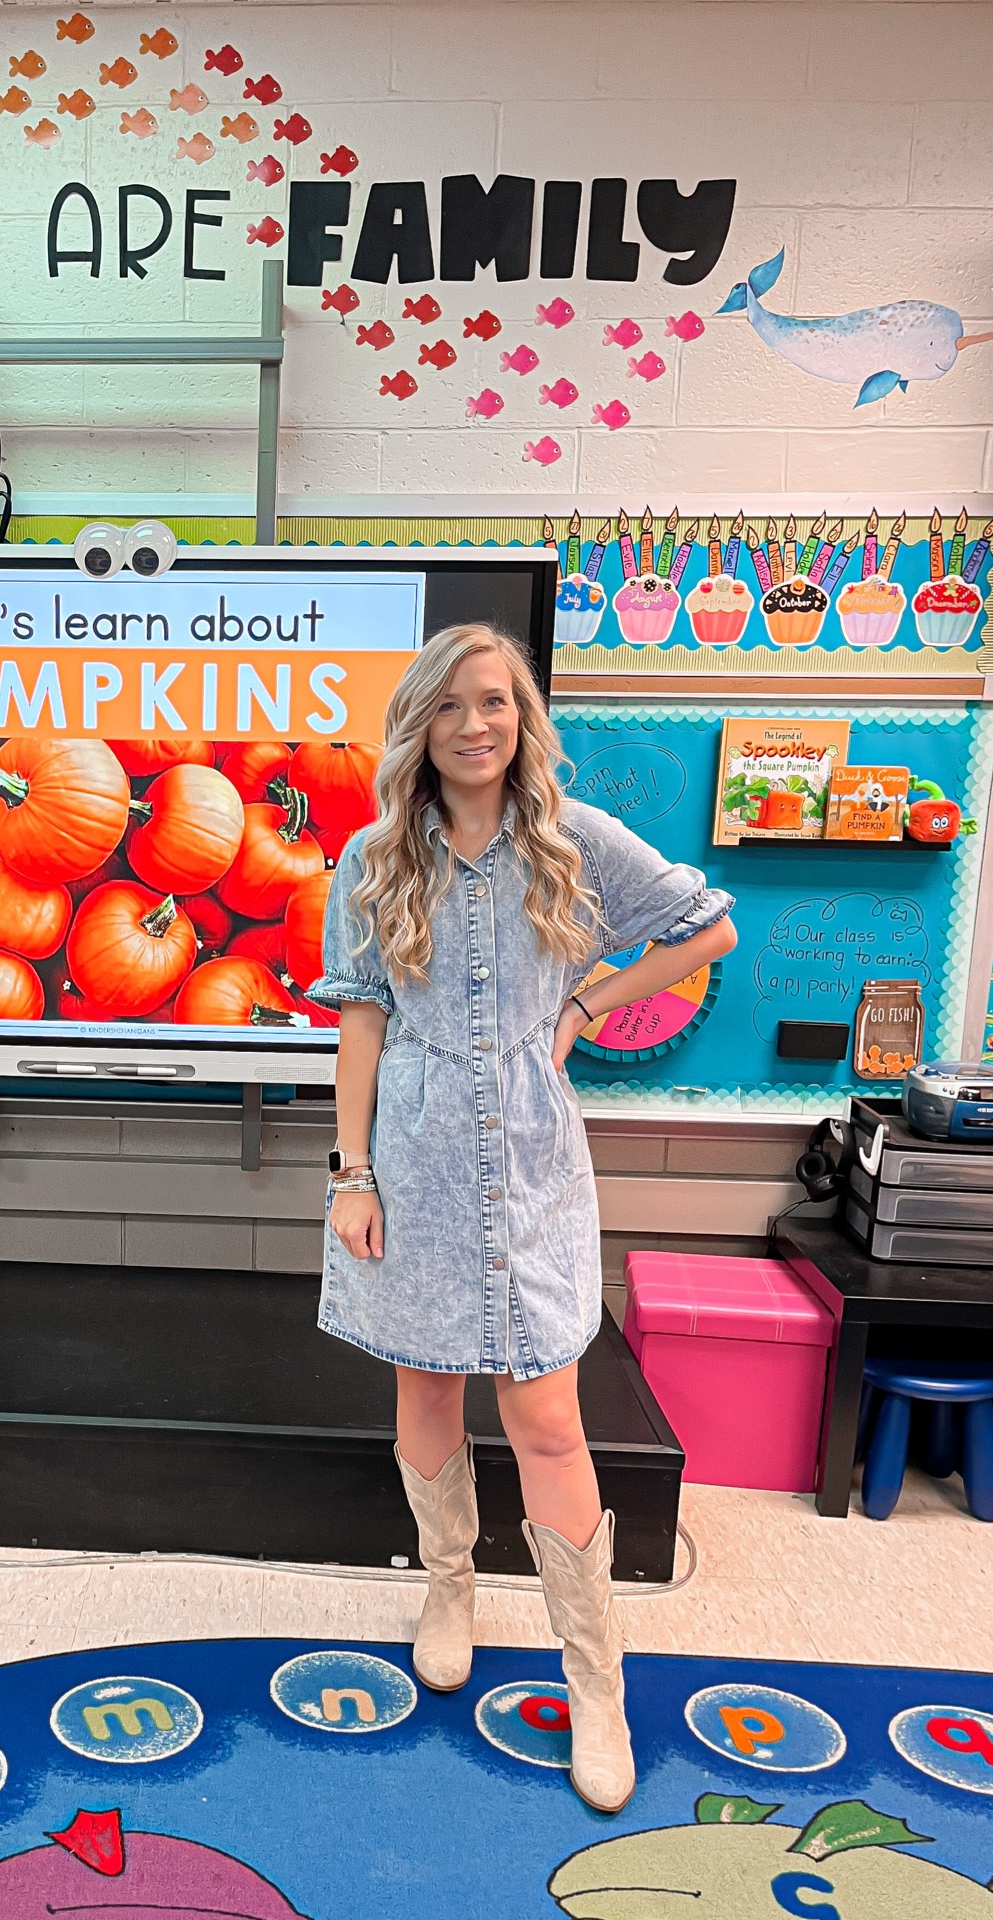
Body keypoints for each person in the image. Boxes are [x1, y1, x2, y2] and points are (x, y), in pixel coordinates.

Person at [307, 623, 736, 1814]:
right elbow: (359, 1022)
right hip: (415, 1154)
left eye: (495, 701)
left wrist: (591, 1000)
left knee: (549, 1417)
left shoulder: (575, 843)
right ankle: (449, 1585)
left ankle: (594, 1683)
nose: (476, 725)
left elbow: (708, 926)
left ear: (521, 715)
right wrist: (350, 1175)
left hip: (536, 1162)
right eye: (451, 706)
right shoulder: (374, 857)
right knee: (427, 1385)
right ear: (421, 726)